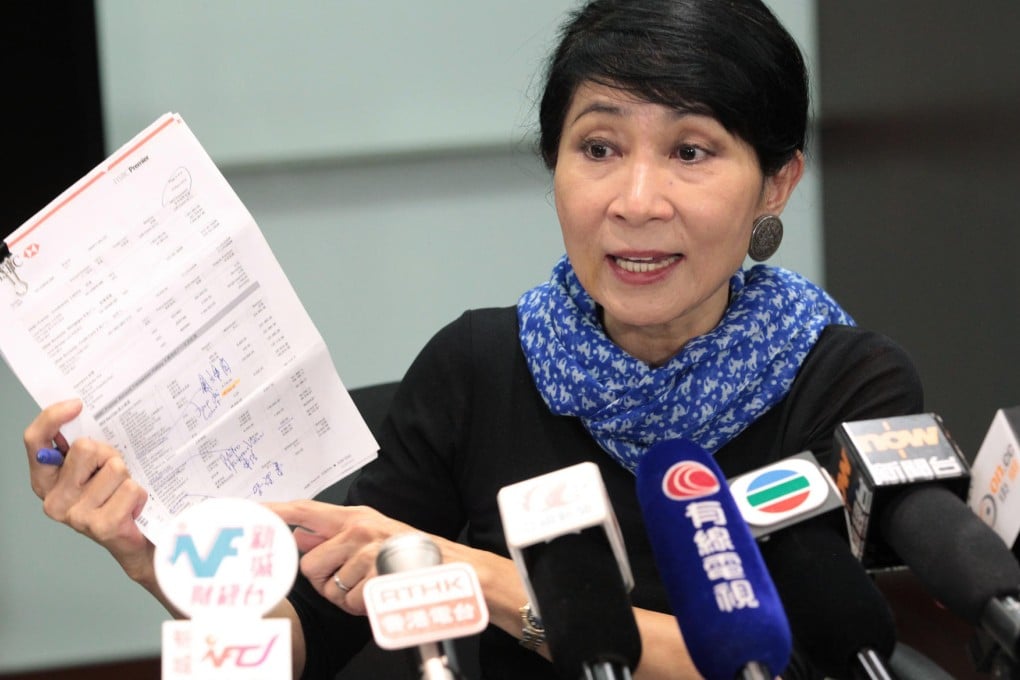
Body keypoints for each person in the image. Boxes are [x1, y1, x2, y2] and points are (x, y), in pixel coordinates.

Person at [24, 1, 923, 678]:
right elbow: (300, 644)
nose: (635, 201)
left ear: (776, 182)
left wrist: (473, 577)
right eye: (599, 147)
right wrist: (154, 553)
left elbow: (798, 664)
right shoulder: (478, 367)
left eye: (691, 152)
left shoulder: (848, 385)